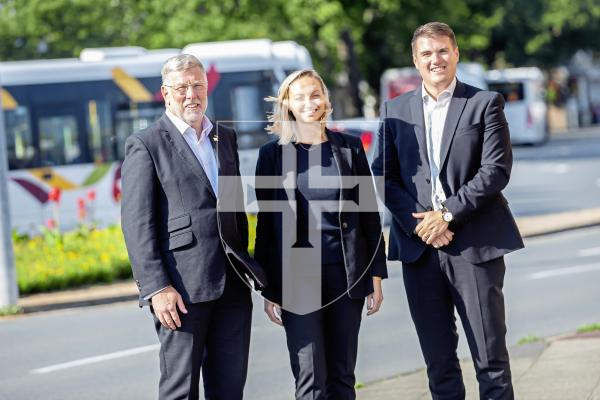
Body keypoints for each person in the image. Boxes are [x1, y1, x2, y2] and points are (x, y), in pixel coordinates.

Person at [372, 22, 524, 400]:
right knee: (439, 366)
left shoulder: (485, 103)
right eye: (426, 53)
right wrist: (425, 224)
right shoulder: (395, 110)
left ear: (455, 53)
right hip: (419, 249)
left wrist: (448, 215)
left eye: (442, 50)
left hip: (474, 246)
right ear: (415, 61)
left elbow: (495, 171)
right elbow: (383, 176)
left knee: (490, 361)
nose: (435, 59)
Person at [121, 54, 253, 400]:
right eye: (182, 87)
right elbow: (137, 223)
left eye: (197, 85)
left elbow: (234, 208)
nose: (191, 94)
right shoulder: (146, 144)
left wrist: (248, 265)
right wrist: (156, 287)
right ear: (165, 93)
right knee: (181, 390)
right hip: (180, 291)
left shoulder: (225, 137)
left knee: (230, 390)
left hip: (233, 287)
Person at [254, 69, 388, 400]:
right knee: (310, 378)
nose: (309, 102)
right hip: (296, 276)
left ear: (326, 99)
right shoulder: (271, 156)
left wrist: (376, 274)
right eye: (299, 97)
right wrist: (267, 286)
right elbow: (267, 226)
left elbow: (369, 214)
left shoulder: (350, 148)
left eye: (315, 94)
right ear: (287, 104)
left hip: (347, 273)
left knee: (343, 375)